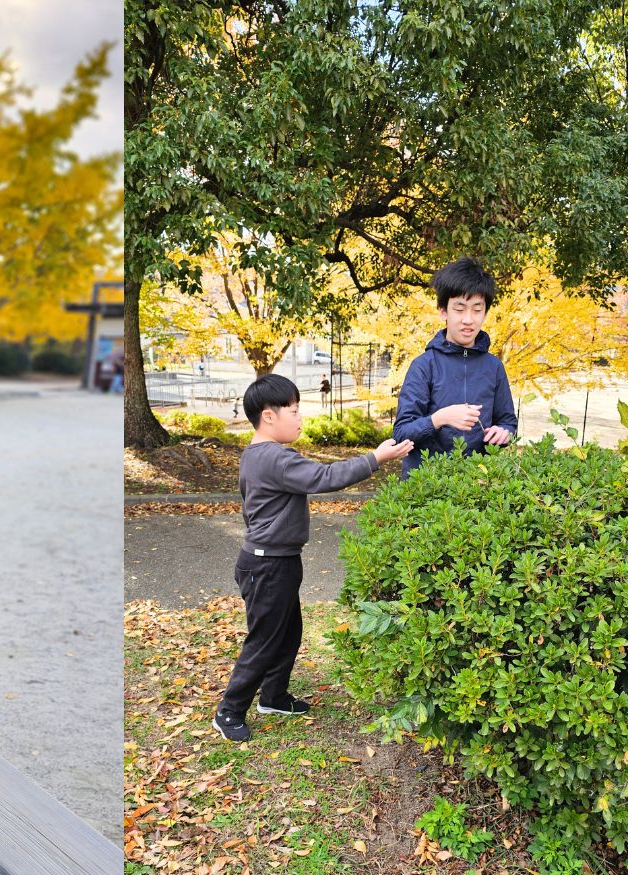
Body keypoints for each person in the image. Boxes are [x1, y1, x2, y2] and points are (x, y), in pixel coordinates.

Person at [212, 374, 412, 743]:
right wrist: (376, 458)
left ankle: (273, 697)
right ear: (269, 416)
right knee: (265, 639)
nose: (300, 417)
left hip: (278, 560)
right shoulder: (272, 456)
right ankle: (229, 710)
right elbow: (324, 477)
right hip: (267, 564)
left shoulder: (260, 453)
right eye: (294, 410)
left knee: (287, 633)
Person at [393, 257, 517, 479]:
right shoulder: (424, 366)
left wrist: (504, 433)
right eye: (459, 309)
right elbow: (401, 434)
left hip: (476, 485)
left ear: (485, 313)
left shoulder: (494, 367)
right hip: (426, 488)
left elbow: (508, 422)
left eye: (477, 310)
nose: (468, 319)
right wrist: (438, 419)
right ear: (443, 311)